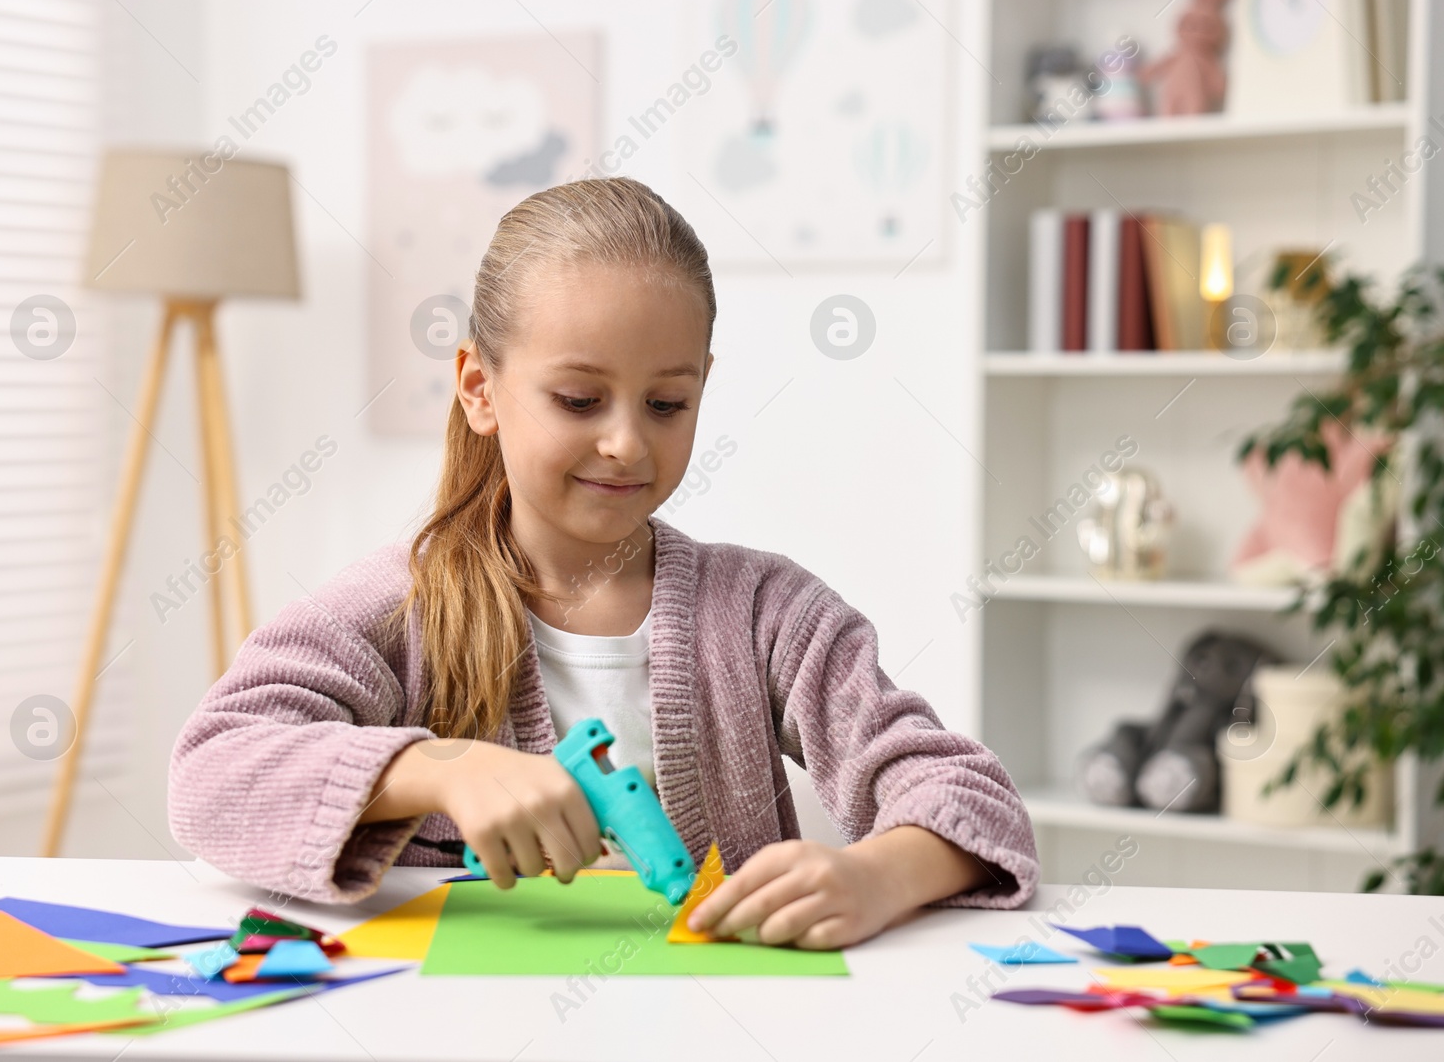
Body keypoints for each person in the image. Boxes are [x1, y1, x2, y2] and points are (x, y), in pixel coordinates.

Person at [168, 176, 1038, 950]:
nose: (626, 442)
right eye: (580, 399)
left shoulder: (770, 612)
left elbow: (967, 791)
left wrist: (876, 875)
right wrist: (442, 767)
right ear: (479, 388)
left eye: (668, 402)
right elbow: (210, 778)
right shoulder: (400, 606)